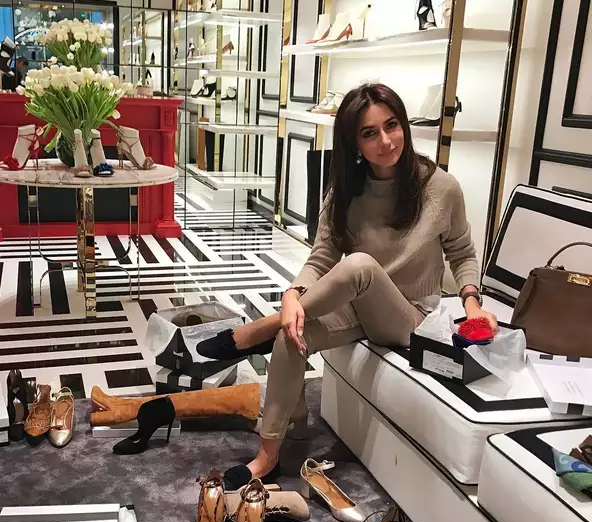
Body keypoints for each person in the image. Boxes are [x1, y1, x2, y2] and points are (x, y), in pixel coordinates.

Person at [197, 82, 498, 490]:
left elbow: (462, 253)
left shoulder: (441, 188)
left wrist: (472, 303)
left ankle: (257, 329)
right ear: (354, 143)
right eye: (369, 133)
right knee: (291, 334)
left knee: (358, 266)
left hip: (411, 316)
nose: (386, 141)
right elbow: (322, 255)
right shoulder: (346, 191)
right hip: (357, 306)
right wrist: (293, 295)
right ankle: (268, 454)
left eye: (392, 125)